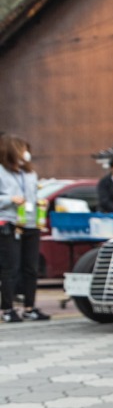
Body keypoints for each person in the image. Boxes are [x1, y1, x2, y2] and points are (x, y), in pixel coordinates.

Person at [0, 134, 50, 322]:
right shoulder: (1, 172)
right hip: (10, 223)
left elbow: (33, 194)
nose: (26, 154)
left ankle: (30, 307)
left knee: (31, 267)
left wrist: (38, 202)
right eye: (23, 149)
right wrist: (8, 200)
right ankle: (7, 309)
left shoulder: (30, 174)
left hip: (31, 222)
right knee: (10, 268)